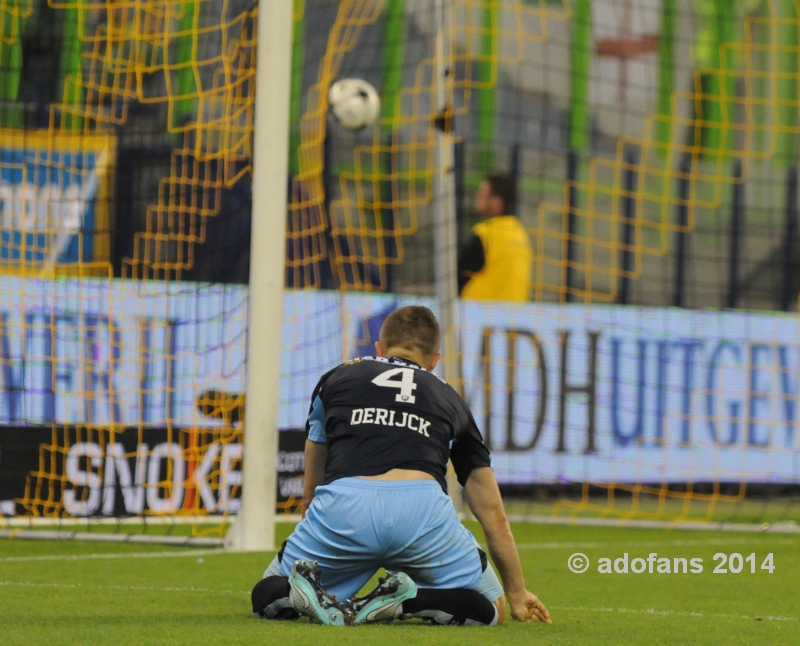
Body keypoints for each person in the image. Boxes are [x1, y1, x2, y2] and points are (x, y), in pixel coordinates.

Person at [251, 306, 551, 627]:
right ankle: (405, 601)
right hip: (421, 515)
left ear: (378, 349)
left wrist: (314, 550)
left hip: (345, 508)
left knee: (266, 592)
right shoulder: (451, 399)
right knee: (491, 608)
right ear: (435, 360)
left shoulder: (336, 378)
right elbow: (494, 515)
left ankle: (303, 594)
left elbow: (312, 487)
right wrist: (517, 595)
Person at [458, 174, 533, 301]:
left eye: (482, 194)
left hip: (477, 312)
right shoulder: (521, 234)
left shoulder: (485, 234)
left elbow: (458, 275)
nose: (477, 198)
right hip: (515, 314)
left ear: (496, 203)